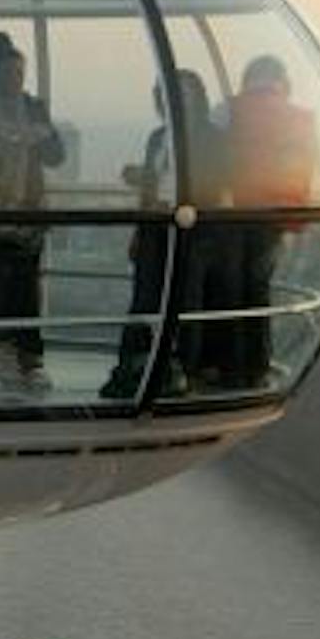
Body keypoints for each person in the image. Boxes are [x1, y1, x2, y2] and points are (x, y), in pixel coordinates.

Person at [0, 32, 65, 386]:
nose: (14, 80)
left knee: (25, 288)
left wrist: (44, 135)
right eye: (8, 73)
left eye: (20, 73)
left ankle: (30, 358)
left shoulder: (35, 108)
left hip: (27, 210)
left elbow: (56, 157)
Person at [103, 70, 216, 400]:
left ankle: (183, 368)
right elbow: (154, 185)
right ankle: (132, 367)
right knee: (145, 297)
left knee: (187, 300)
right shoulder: (157, 137)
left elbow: (214, 183)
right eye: (167, 94)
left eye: (184, 94)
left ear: (198, 99)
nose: (175, 101)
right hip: (156, 226)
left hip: (191, 231)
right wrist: (140, 228)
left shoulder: (209, 138)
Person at [212, 54, 315, 389]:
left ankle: (228, 364)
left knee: (230, 290)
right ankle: (256, 365)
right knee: (258, 290)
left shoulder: (230, 110)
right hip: (275, 215)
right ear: (282, 82)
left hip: (233, 213)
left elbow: (208, 155)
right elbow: (303, 169)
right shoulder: (300, 118)